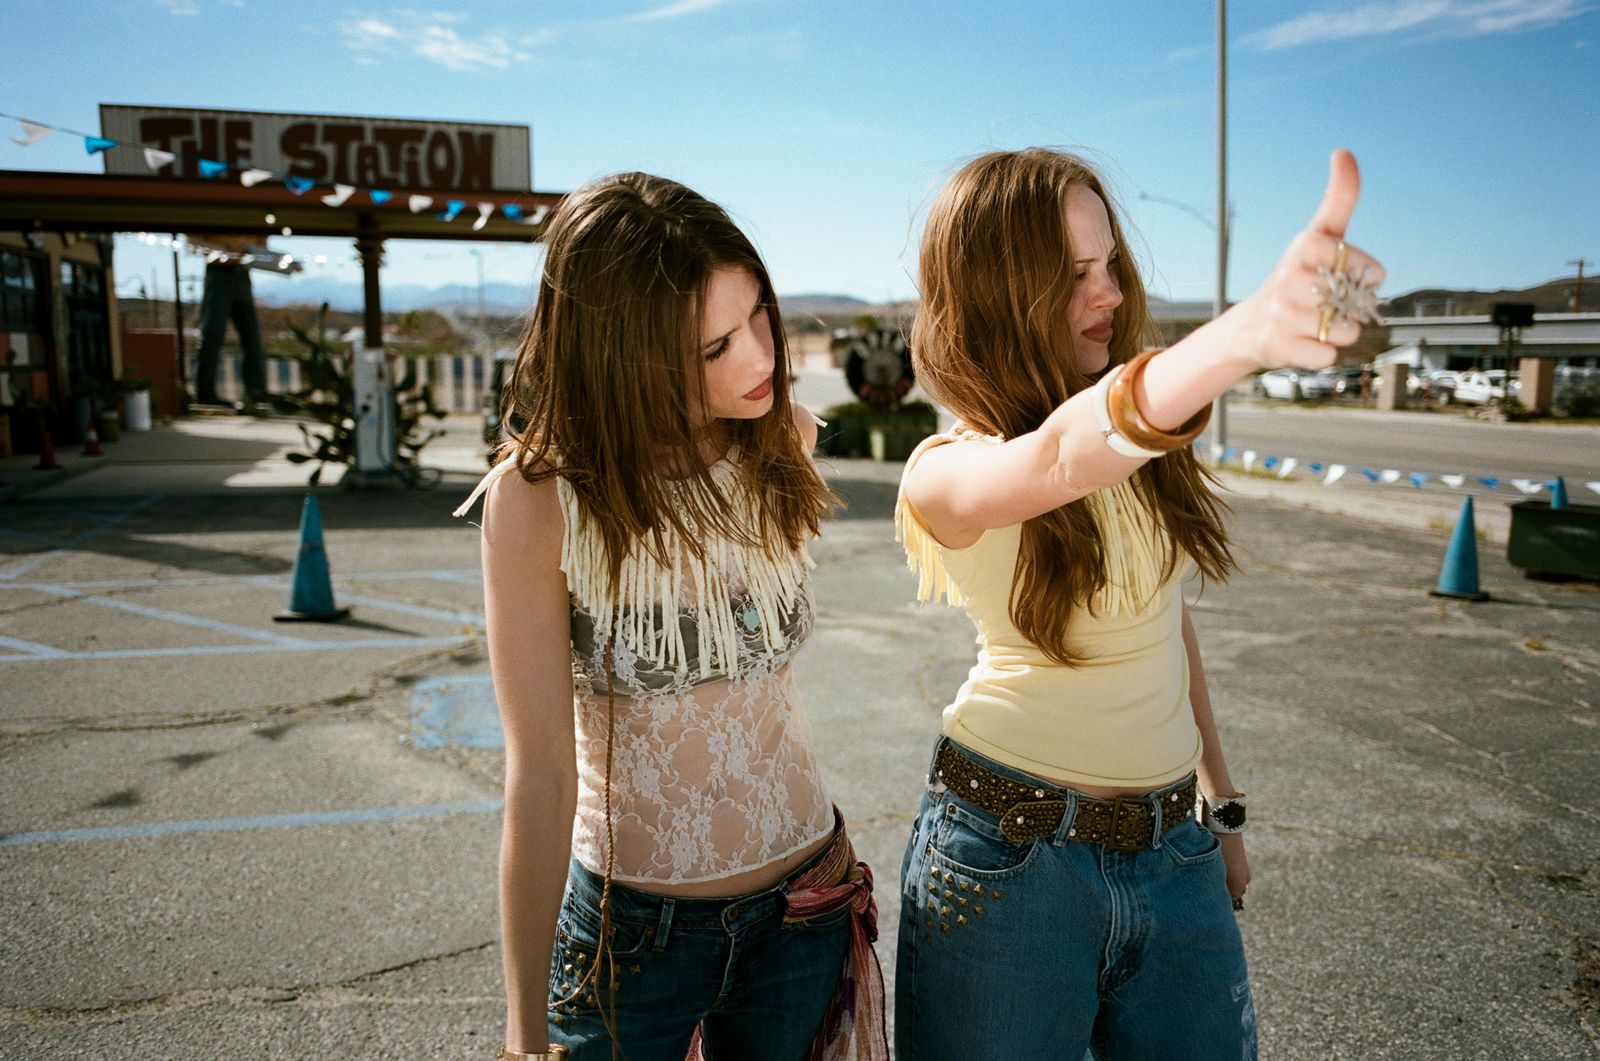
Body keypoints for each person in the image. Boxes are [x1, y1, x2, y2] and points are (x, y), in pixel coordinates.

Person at [892, 147, 1381, 1060]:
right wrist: (1243, 338)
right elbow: (1053, 460)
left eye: (1110, 261)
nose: (1110, 291)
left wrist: (1220, 805)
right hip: (1007, 863)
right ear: (1003, 293)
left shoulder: (1128, 447)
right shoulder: (948, 472)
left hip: (1172, 852)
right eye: (1076, 274)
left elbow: (1165, 620)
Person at [454, 172, 886, 1061]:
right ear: (624, 356)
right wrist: (522, 1031)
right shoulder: (539, 501)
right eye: (714, 347)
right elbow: (538, 773)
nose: (760, 358)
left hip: (806, 908)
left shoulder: (782, 438)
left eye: (759, 315)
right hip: (630, 943)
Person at [189, 234, 269, 409]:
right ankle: (205, 393)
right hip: (217, 271)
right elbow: (193, 241)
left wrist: (247, 249)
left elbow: (263, 244)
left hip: (242, 272)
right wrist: (225, 249)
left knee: (252, 337)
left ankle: (256, 392)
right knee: (212, 333)